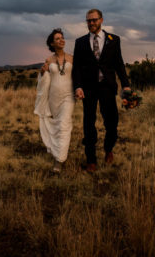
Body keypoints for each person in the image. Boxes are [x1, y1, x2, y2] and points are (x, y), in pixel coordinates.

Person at [72, 9, 130, 172]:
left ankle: (108, 149)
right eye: (88, 21)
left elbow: (119, 64)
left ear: (101, 20)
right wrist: (78, 86)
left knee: (112, 123)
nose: (91, 23)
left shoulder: (114, 40)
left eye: (94, 20)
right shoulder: (80, 42)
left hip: (107, 86)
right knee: (88, 124)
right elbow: (76, 68)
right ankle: (91, 160)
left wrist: (126, 84)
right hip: (88, 89)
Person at [34, 28, 75, 173]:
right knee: (58, 126)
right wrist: (42, 72)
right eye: (57, 38)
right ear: (52, 43)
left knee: (64, 125)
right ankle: (58, 151)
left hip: (68, 96)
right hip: (54, 97)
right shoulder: (49, 60)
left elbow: (78, 77)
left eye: (62, 37)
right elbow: (44, 80)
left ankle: (59, 160)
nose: (61, 40)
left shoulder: (71, 58)